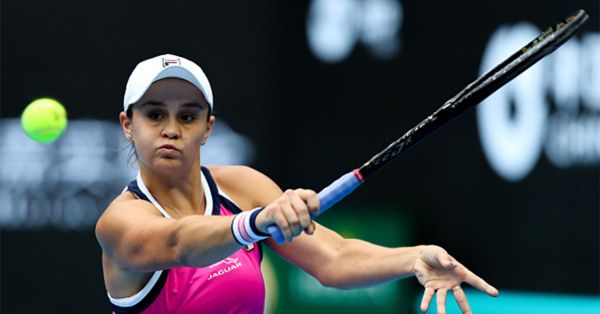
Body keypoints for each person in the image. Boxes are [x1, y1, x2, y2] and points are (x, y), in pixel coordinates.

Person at [95, 54, 499, 314]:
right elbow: (178, 243)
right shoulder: (121, 222)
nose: (170, 130)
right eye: (153, 115)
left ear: (207, 128)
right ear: (128, 125)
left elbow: (334, 258)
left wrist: (413, 259)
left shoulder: (242, 188)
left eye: (187, 116)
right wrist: (255, 223)